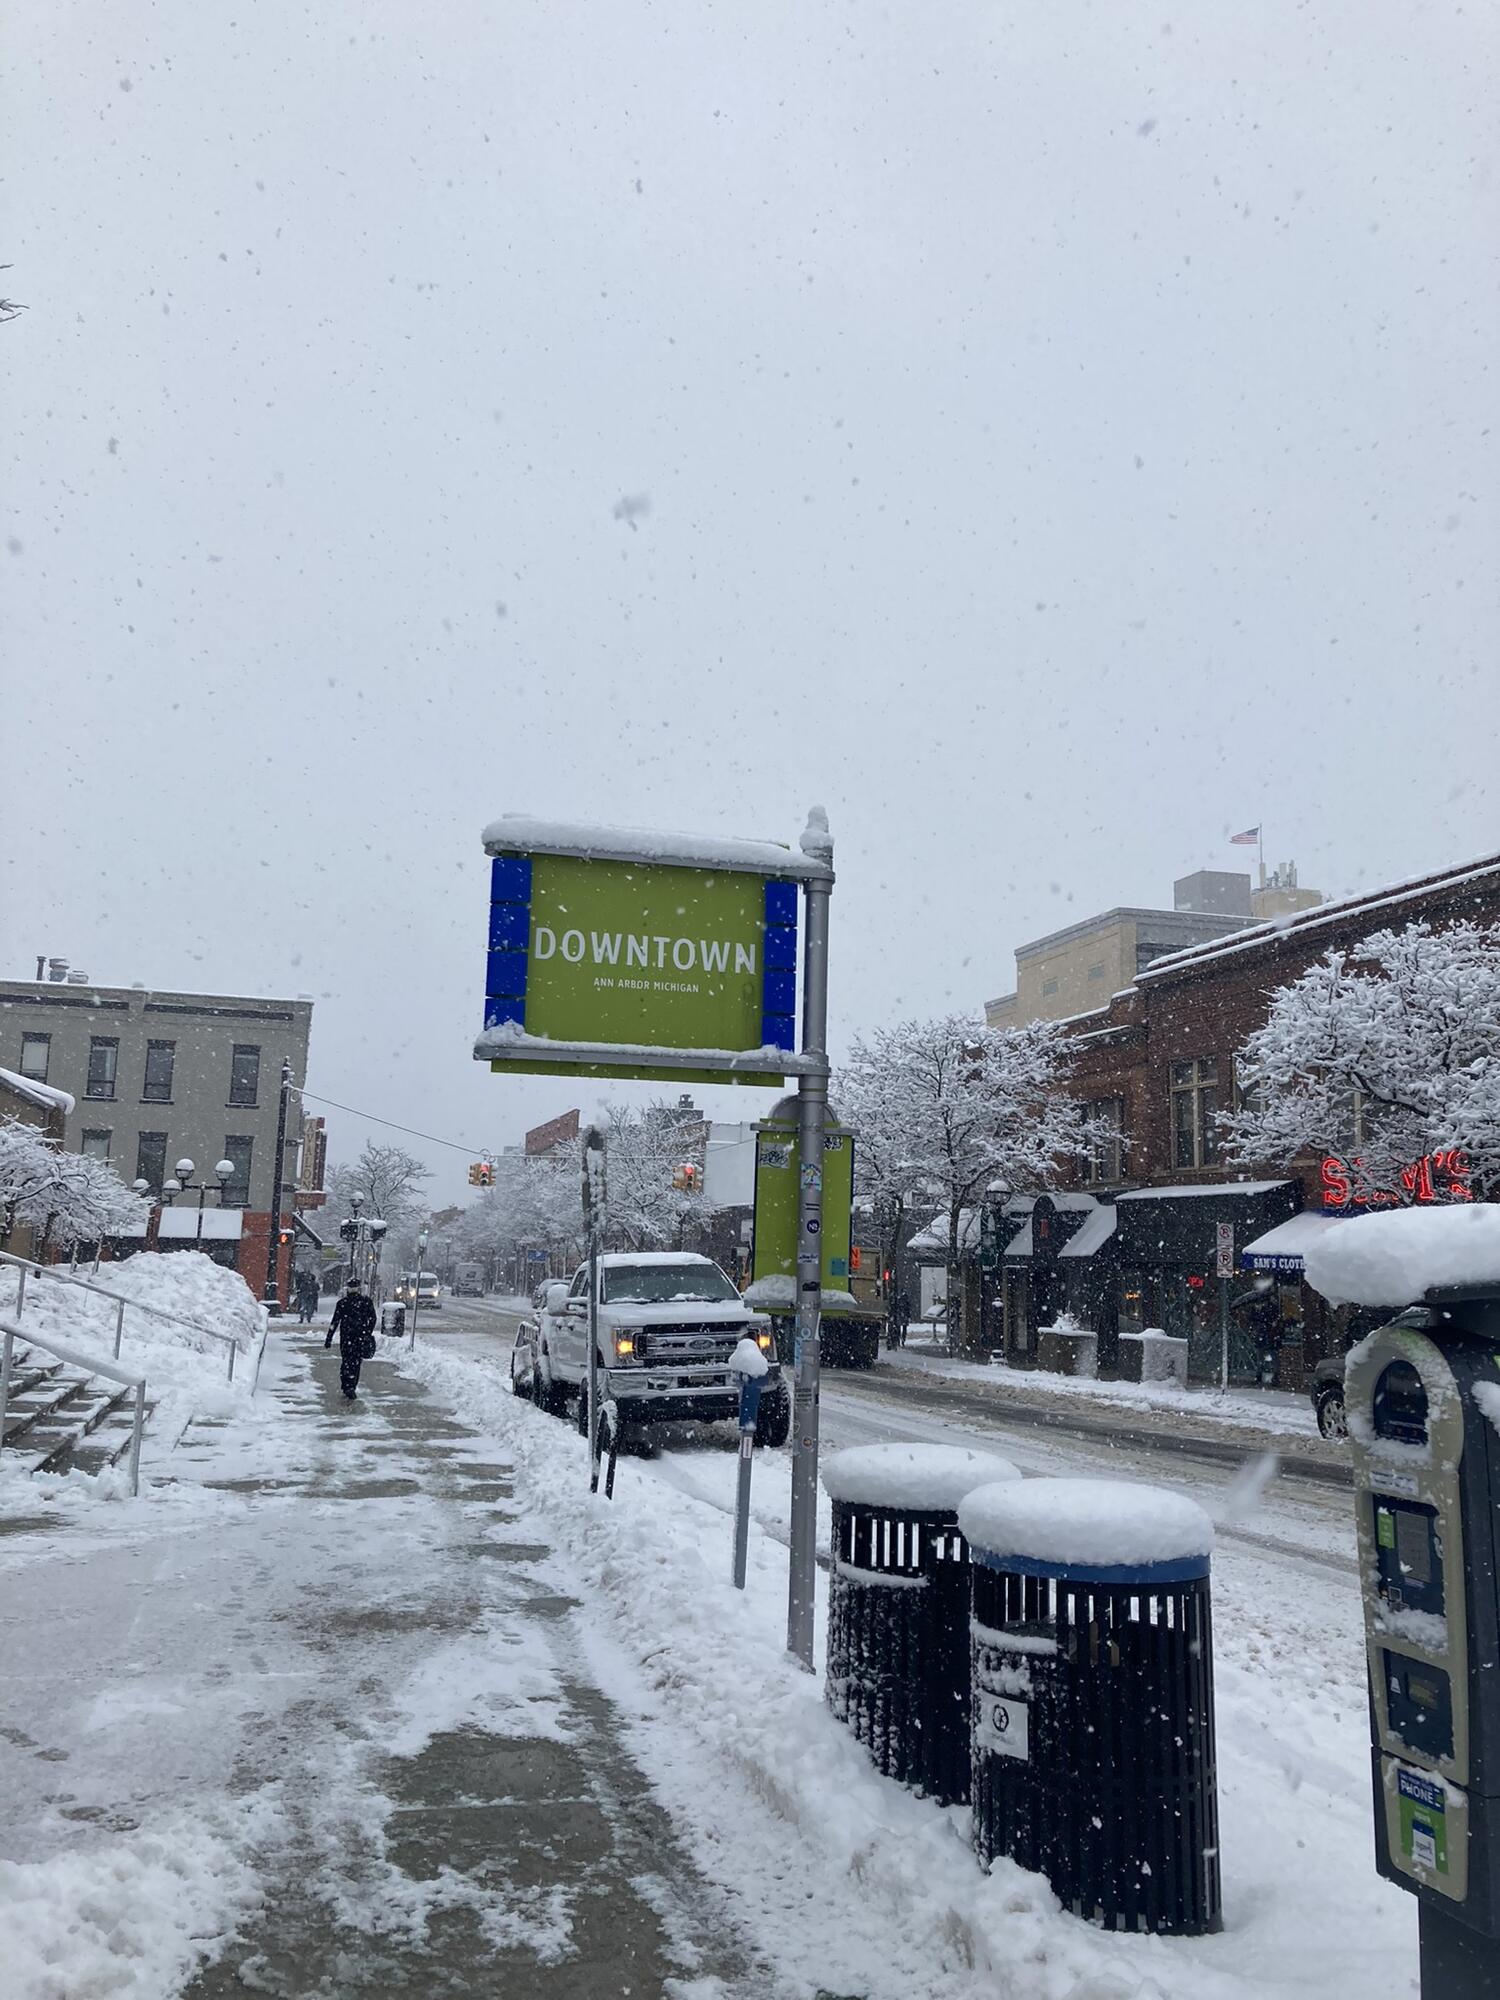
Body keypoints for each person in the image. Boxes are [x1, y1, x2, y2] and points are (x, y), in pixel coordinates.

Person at [326, 1278, 377, 1400]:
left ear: (347, 1288)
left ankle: (346, 1384)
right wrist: (367, 1331)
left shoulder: (343, 1303)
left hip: (346, 1337)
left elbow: (335, 1321)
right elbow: (373, 1318)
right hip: (360, 1337)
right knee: (356, 1362)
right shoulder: (366, 1302)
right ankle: (352, 1385)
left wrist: (329, 1338)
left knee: (346, 1361)